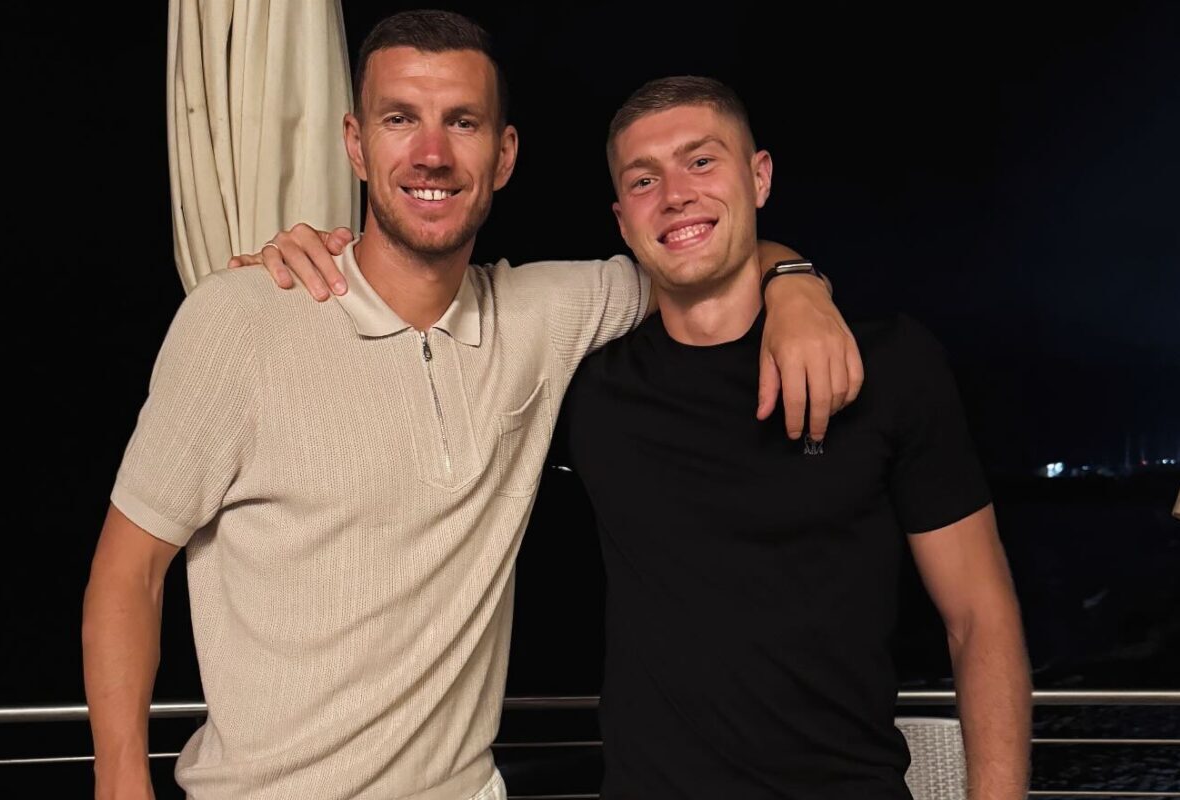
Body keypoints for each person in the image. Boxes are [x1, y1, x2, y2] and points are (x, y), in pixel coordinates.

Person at [82, 11, 860, 800]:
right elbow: (127, 574)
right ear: (356, 144)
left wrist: (795, 282)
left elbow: (699, 256)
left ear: (504, 155)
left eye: (462, 122)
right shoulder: (239, 319)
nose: (432, 154)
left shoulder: (543, 313)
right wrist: (120, 785)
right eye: (399, 119)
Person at [558, 75, 1033, 799]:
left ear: (759, 178)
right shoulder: (591, 392)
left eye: (701, 161)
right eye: (644, 179)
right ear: (624, 222)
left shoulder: (891, 365)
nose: (675, 194)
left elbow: (980, 617)